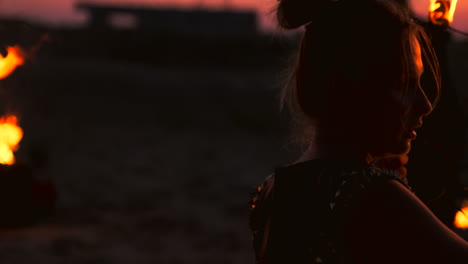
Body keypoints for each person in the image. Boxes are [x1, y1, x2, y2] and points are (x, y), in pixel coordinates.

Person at [248, 0, 468, 263]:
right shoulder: (373, 197)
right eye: (406, 84)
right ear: (355, 88)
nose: (425, 105)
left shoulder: (273, 191)